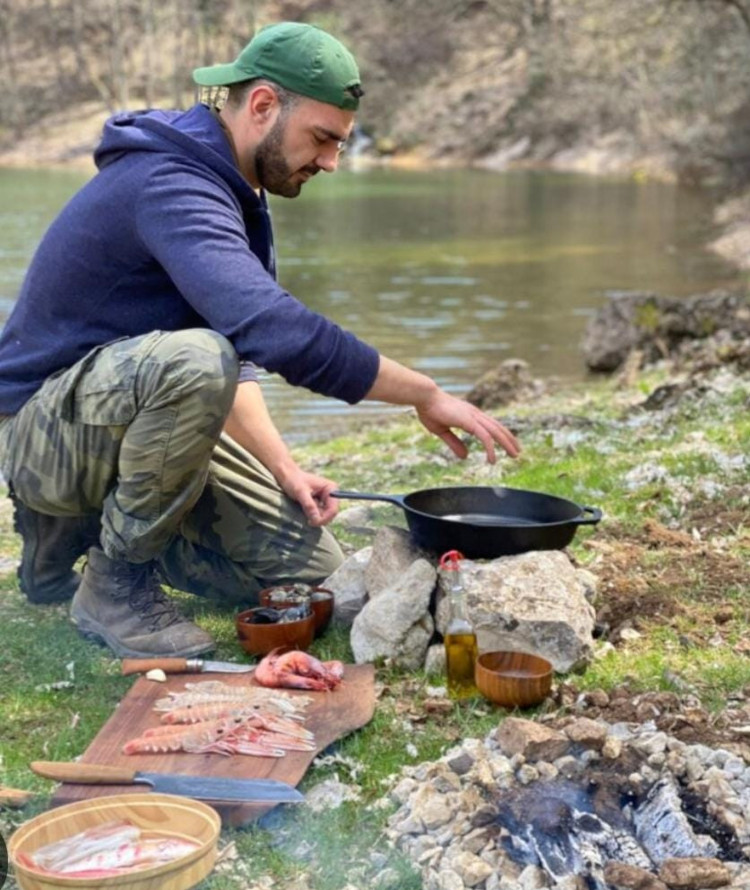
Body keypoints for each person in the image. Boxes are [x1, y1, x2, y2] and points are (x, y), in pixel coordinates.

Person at [0, 22, 520, 659]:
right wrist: (423, 393)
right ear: (264, 105)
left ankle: (85, 543)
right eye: (322, 138)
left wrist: (285, 470)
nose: (330, 162)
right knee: (197, 362)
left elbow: (235, 356)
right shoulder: (172, 183)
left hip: (128, 420)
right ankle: (113, 582)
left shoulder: (236, 181)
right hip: (41, 439)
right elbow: (266, 331)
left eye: (340, 143)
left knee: (312, 577)